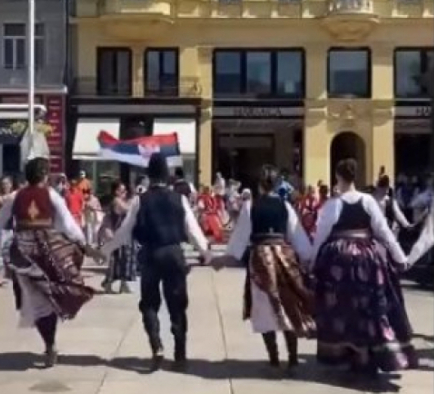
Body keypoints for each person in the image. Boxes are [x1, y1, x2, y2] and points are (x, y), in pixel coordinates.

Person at [97, 153, 212, 372]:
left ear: (149, 175)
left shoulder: (140, 200)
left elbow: (124, 232)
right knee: (177, 305)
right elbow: (192, 229)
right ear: (167, 175)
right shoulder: (179, 199)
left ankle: (156, 345)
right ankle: (180, 354)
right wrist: (205, 251)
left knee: (149, 303)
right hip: (174, 253)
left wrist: (105, 251)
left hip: (150, 254)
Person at [311, 158, 416, 376]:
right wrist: (400, 257)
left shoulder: (333, 204)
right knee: (371, 308)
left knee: (342, 309)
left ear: (337, 177)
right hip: (369, 259)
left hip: (339, 262)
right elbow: (384, 232)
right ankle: (369, 354)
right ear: (354, 176)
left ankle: (349, 353)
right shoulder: (368, 201)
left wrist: (312, 261)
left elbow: (320, 235)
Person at [210, 165, 315, 373]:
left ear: (259, 185)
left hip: (260, 259)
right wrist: (307, 257)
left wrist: (224, 259)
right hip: (284, 258)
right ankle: (293, 358)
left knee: (263, 307)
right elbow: (297, 236)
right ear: (277, 184)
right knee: (288, 304)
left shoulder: (251, 206)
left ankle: (274, 358)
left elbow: (241, 237)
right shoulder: (285, 206)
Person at [0, 157, 97, 368]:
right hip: (48, 250)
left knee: (37, 301)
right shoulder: (51, 194)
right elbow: (67, 224)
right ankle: (52, 338)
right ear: (44, 175)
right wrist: (83, 243)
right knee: (54, 293)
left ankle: (50, 344)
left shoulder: (15, 196)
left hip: (23, 253)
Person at [99, 180, 137, 294]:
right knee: (117, 261)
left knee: (126, 260)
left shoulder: (123, 201)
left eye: (125, 191)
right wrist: (133, 199)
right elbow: (127, 209)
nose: (124, 193)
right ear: (116, 191)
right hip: (118, 235)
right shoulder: (116, 201)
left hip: (125, 234)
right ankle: (108, 283)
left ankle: (123, 284)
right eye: (122, 190)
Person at [0, 176, 15, 287]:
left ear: (11, 184)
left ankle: (7, 277)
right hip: (1, 229)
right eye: (3, 184)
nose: (5, 186)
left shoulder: (14, 196)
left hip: (12, 228)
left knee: (9, 255)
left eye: (7, 183)